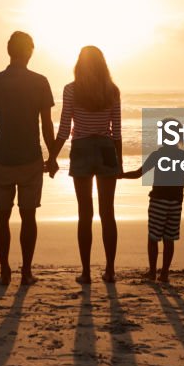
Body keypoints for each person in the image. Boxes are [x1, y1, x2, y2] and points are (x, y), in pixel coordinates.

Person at [0, 31, 57, 286]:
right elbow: (46, 125)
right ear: (30, 52)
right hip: (31, 158)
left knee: (1, 215)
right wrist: (52, 155)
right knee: (28, 216)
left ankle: (4, 270)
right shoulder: (40, 82)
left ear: (9, 50)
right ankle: (26, 271)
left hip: (1, 157)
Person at [46, 46, 122, 284]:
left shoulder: (71, 90)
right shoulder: (112, 90)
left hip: (81, 149)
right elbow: (117, 130)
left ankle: (86, 272)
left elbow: (64, 129)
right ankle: (110, 270)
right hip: (106, 148)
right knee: (108, 213)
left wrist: (52, 157)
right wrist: (118, 162)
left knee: (84, 213)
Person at [120, 127, 184, 283]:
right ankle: (164, 273)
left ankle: (152, 272)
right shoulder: (183, 157)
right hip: (176, 202)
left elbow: (138, 173)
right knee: (169, 238)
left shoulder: (158, 155)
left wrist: (121, 175)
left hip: (158, 201)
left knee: (153, 238)